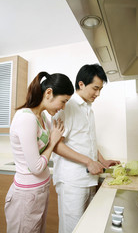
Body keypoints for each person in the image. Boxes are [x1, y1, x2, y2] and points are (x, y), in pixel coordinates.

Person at [52, 64, 120, 233]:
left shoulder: (89, 110)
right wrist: (89, 161)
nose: (98, 94)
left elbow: (88, 141)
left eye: (100, 89)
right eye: (95, 88)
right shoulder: (66, 107)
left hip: (89, 180)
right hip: (72, 182)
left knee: (85, 228)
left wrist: (102, 160)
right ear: (81, 84)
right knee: (71, 229)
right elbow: (56, 145)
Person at [4, 71, 74, 233]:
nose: (62, 107)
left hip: (39, 191)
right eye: (63, 102)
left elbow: (56, 140)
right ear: (49, 93)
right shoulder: (26, 118)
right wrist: (53, 141)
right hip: (26, 195)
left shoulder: (42, 116)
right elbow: (36, 166)